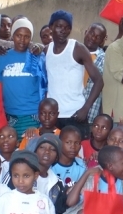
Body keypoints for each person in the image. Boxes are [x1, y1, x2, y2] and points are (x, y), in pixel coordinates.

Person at [44, 10, 104, 138]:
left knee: (76, 155)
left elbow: (99, 81)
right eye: (59, 26)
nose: (63, 31)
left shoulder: (77, 48)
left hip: (75, 115)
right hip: (53, 116)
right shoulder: (46, 50)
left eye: (67, 28)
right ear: (51, 27)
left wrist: (85, 108)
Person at [0, 18, 46, 139]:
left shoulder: (37, 56)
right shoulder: (2, 57)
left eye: (27, 36)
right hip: (10, 115)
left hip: (33, 114)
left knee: (32, 152)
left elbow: (43, 86)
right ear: (13, 35)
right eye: (18, 35)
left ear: (31, 38)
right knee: (12, 153)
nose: (22, 40)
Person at [83, 23, 108, 124]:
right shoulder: (73, 51)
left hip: (90, 111)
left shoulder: (104, 59)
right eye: (91, 34)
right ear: (86, 32)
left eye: (98, 37)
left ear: (102, 41)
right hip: (69, 107)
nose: (93, 38)